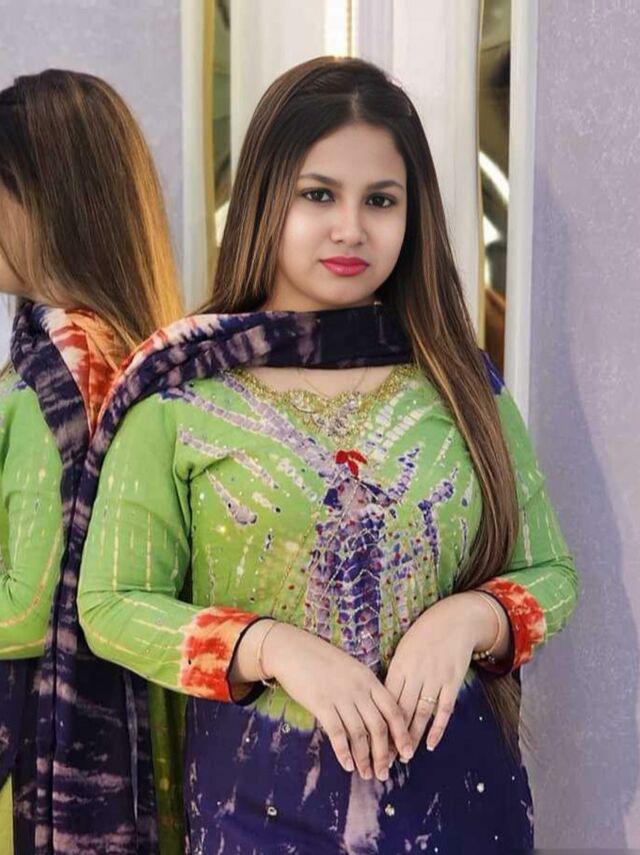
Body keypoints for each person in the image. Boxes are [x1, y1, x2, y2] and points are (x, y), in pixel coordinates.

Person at [77, 55, 579, 853]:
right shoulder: (181, 392)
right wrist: (270, 647)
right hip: (258, 810)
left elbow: (550, 572)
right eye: (318, 194)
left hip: (462, 807)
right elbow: (110, 603)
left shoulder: (457, 381)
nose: (351, 227)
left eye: (380, 199)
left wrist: (469, 618)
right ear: (264, 197)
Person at [0, 70, 184, 854]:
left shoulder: (58, 373)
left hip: (38, 758)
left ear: (50, 200)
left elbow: (31, 605)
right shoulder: (127, 351)